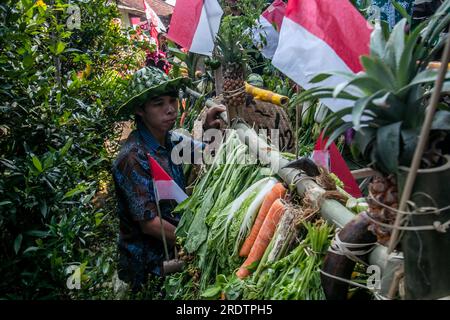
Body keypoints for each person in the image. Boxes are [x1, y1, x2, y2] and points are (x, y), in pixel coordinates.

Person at [112, 66, 225, 292]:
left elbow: (208, 152)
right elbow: (150, 224)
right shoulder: (133, 157)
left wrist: (208, 128)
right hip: (150, 267)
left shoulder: (171, 140)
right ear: (140, 110)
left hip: (172, 249)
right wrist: (199, 244)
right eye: (159, 104)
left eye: (173, 100)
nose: (170, 109)